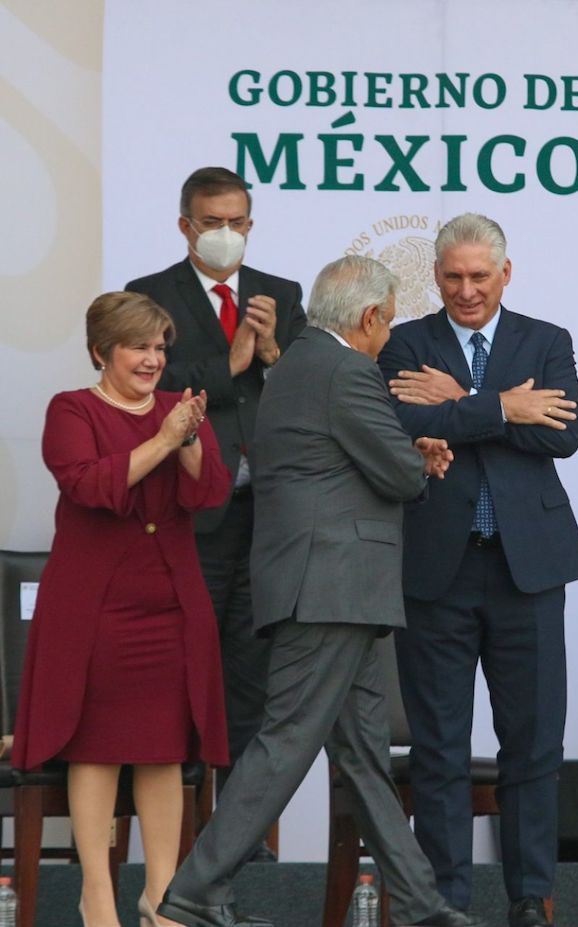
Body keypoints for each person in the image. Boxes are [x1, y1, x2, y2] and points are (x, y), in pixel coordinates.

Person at [156, 256, 473, 927]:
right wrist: (415, 457)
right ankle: (194, 889)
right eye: (386, 322)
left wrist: (403, 452)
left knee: (362, 756)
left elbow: (342, 456)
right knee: (287, 739)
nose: (388, 336)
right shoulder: (349, 369)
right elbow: (397, 474)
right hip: (333, 585)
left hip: (322, 584)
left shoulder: (299, 362)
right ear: (366, 318)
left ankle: (418, 903)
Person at [377, 212, 578, 927]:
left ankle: (531, 896)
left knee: (533, 742)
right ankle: (444, 901)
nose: (467, 290)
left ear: (506, 272)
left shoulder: (546, 339)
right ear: (434, 276)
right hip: (436, 570)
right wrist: (504, 406)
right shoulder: (406, 342)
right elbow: (403, 427)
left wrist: (460, 407)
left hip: (527, 569)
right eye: (453, 276)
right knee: (439, 744)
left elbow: (562, 432)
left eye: (479, 275)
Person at [12, 291, 231, 927]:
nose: (153, 359)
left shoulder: (179, 410)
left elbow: (210, 491)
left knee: (164, 750)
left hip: (171, 602)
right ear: (101, 351)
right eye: (139, 346)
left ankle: (163, 896)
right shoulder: (71, 409)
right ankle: (97, 895)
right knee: (98, 749)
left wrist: (187, 439)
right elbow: (89, 486)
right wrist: (165, 439)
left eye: (160, 347)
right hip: (97, 606)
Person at [125, 168, 306, 817]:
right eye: (213, 223)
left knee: (250, 678)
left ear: (251, 225)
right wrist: (227, 367)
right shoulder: (149, 295)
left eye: (238, 222)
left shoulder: (280, 293)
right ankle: (179, 839)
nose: (226, 235)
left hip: (268, 516)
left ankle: (240, 833)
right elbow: (143, 391)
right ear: (186, 226)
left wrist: (277, 351)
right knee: (182, 672)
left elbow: (308, 393)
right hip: (190, 514)